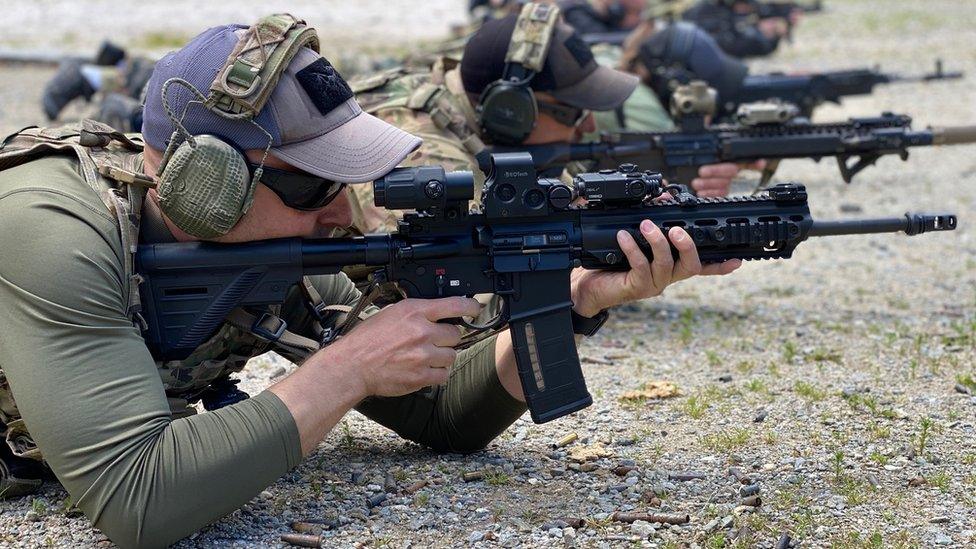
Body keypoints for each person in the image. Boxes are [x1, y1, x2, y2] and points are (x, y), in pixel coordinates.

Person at [0, 14, 739, 548]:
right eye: (317, 186)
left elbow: (443, 411)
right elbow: (139, 500)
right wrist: (346, 369)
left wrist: (575, 297)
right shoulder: (50, 226)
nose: (341, 210)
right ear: (206, 184)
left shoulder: (269, 251)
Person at [348, 2, 742, 236]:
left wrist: (671, 212)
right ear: (511, 111)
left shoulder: (489, 127)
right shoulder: (422, 155)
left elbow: (572, 208)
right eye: (573, 111)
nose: (588, 126)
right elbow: (452, 305)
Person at [681, 0, 796, 58]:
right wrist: (764, 35)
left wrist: (774, 36)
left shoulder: (729, 16)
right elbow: (732, 48)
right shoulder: (710, 14)